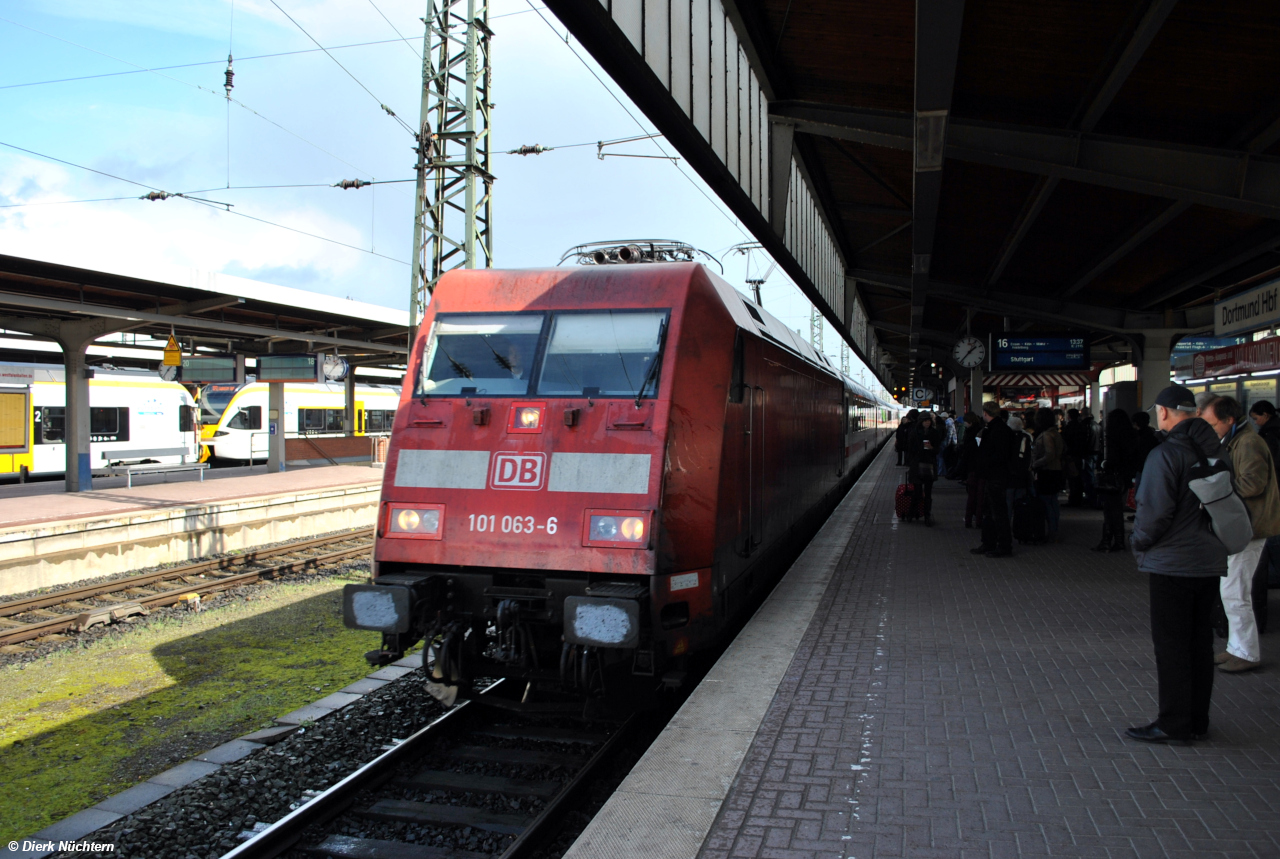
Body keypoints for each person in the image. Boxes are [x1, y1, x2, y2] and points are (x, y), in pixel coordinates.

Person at [1126, 385, 1227, 744]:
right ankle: (1197, 719)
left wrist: (1138, 543)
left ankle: (1173, 723)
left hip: (1174, 563)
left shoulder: (1166, 454)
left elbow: (1153, 512)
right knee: (1200, 644)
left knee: (1171, 646)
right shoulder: (1216, 451)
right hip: (1210, 560)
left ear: (1165, 412)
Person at [1201, 396, 1280, 672]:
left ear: (1229, 420)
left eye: (1213, 425)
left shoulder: (1247, 443)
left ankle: (1245, 652)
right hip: (1245, 525)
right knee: (1233, 590)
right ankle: (1237, 648)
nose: (1211, 430)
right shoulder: (1239, 440)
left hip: (1251, 527)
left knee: (1235, 591)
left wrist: (1218, 491)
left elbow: (1252, 484)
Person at [972, 401, 1015, 557]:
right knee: (990, 511)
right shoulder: (1001, 429)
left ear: (985, 413)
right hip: (996, 475)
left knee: (997, 512)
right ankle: (989, 543)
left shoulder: (996, 430)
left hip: (995, 476)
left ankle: (1003, 546)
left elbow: (996, 455)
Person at [1095, 409, 1138, 552]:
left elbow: (1111, 460)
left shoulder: (1112, 438)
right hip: (1123, 478)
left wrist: (1104, 465)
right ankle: (1118, 542)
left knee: (1109, 511)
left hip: (1111, 478)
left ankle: (1107, 540)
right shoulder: (1131, 436)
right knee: (1117, 510)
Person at [1032, 407, 1064, 542]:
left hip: (1047, 471)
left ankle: (1051, 531)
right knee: (1053, 501)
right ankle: (1054, 529)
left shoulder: (1046, 435)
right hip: (1057, 470)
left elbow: (1049, 454)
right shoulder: (1056, 433)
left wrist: (1035, 464)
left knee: (1046, 502)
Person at [906, 412, 944, 525]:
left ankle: (927, 515)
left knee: (928, 493)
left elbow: (938, 449)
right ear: (921, 421)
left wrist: (931, 448)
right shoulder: (914, 433)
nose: (927, 422)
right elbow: (909, 449)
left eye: (929, 420)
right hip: (917, 465)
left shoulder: (934, 433)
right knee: (917, 492)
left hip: (929, 465)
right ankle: (911, 513)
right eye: (925, 420)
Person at [957, 412, 984, 527]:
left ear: (970, 422)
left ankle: (969, 520)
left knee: (972, 495)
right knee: (980, 496)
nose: (965, 424)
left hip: (973, 468)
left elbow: (968, 452)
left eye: (966, 422)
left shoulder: (970, 434)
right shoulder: (982, 431)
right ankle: (978, 520)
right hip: (982, 468)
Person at [1006, 415, 1034, 521]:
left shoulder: (1006, 437)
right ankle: (1019, 523)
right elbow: (1029, 456)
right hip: (1022, 474)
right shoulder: (1026, 437)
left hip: (1009, 475)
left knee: (1008, 501)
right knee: (1020, 501)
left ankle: (1007, 525)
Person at [1062, 408, 1087, 506]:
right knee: (1078, 477)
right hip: (1079, 455)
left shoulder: (1070, 427)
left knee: (1072, 478)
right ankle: (1078, 498)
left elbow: (1066, 440)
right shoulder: (1081, 426)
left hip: (1071, 455)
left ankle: (1073, 499)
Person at [1132, 410, 1160, 480]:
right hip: (1152, 468)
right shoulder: (1153, 434)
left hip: (1140, 469)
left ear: (1136, 423)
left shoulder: (1137, 436)